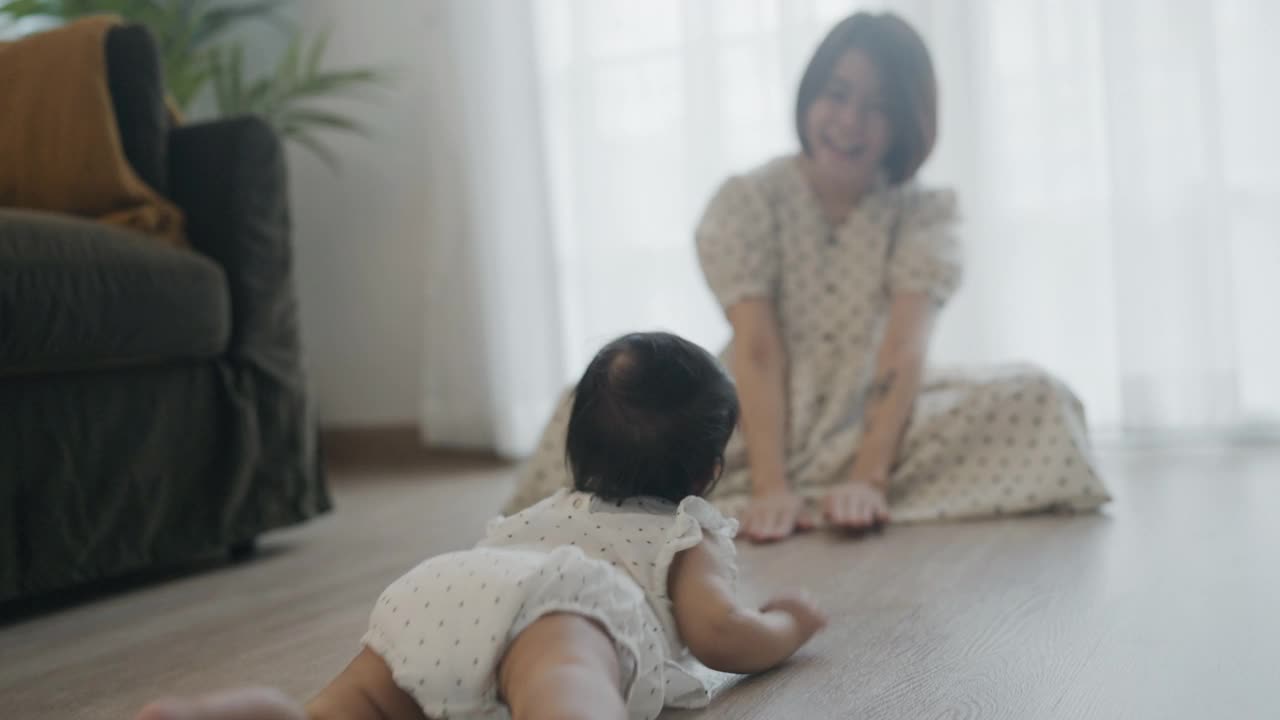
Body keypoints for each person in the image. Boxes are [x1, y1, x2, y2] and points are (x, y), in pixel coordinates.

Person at [504, 12, 1111, 543]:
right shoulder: (748, 200)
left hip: (869, 413)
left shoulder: (928, 211)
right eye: (838, 93)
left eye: (878, 107)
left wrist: (870, 474)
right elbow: (758, 348)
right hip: (752, 411)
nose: (850, 121)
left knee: (1042, 398)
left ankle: (845, 486)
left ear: (907, 122)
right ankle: (796, 486)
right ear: (810, 94)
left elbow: (904, 347)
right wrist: (770, 486)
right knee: (600, 409)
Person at [135, 332, 827, 720]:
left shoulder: (547, 512)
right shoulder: (684, 530)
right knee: (561, 677)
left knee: (356, 709)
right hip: (563, 607)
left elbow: (495, 592)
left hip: (442, 590)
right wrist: (786, 626)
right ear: (706, 472)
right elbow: (718, 632)